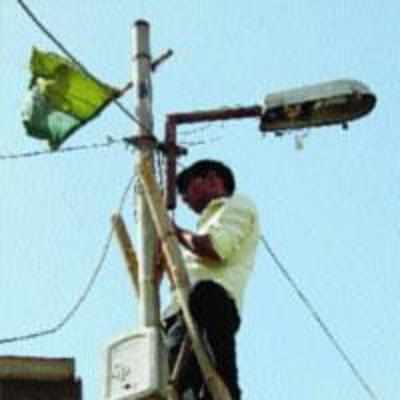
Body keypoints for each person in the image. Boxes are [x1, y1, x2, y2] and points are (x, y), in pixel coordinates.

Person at [163, 159, 260, 400]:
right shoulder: (202, 224)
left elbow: (216, 248)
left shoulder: (235, 206)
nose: (184, 198)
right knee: (176, 369)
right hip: (182, 315)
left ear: (213, 180)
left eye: (187, 188)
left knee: (204, 294)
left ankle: (226, 391)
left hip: (212, 306)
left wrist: (176, 232)